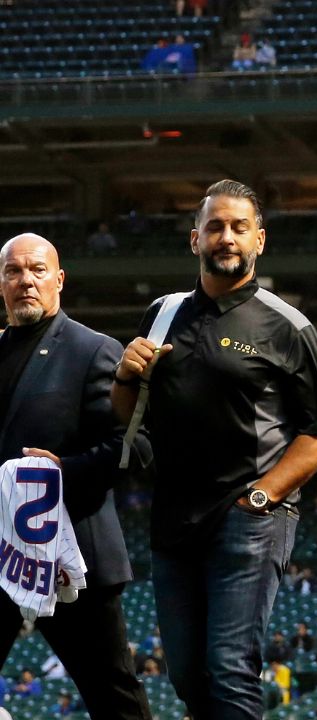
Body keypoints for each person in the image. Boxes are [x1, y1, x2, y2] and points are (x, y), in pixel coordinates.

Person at [111, 179, 317, 719]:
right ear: (195, 239)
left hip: (249, 517)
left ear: (259, 239)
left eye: (240, 227)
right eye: (215, 226)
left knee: (229, 667)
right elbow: (130, 416)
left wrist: (262, 496)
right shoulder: (162, 314)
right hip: (173, 516)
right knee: (187, 674)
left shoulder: (289, 326)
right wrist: (124, 376)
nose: (227, 237)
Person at [0, 234, 153, 719]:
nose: (26, 280)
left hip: (71, 557)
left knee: (114, 700)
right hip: (1, 553)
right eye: (13, 271)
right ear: (1, 284)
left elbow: (136, 445)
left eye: (37, 270)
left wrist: (64, 471)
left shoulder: (93, 350)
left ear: (59, 280)